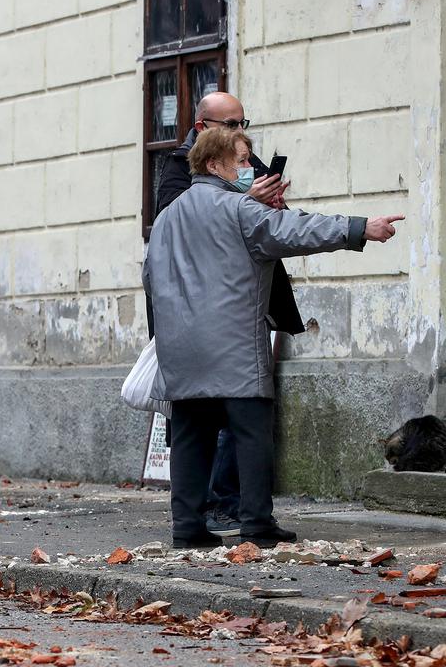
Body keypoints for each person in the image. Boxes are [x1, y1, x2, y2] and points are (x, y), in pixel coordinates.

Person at [144, 127, 402, 549]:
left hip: (180, 347)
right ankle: (256, 523)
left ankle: (187, 526)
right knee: (251, 432)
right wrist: (360, 228)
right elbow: (296, 231)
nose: (250, 169)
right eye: (243, 160)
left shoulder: (168, 217)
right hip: (234, 344)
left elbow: (151, 279)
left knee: (191, 434)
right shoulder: (240, 209)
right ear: (214, 164)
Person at [152, 92, 296, 539]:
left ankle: (214, 516)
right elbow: (183, 229)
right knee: (226, 421)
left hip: (242, 306)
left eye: (241, 122)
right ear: (201, 128)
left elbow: (279, 231)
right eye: (227, 125)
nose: (238, 133)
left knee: (229, 423)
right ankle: (224, 513)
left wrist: (263, 204)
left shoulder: (239, 168)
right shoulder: (183, 170)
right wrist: (244, 200)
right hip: (206, 316)